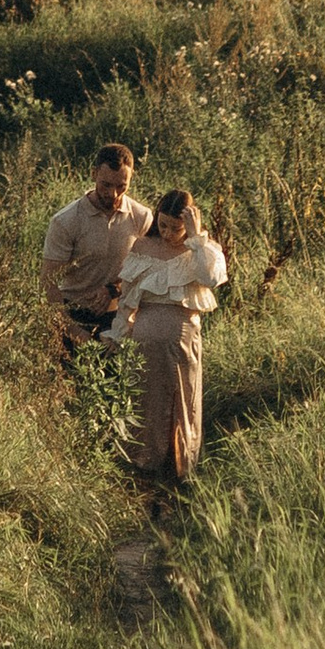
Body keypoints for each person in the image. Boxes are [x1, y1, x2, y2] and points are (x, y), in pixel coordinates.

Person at [109, 188, 229, 485]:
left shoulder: (200, 250)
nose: (168, 233)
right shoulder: (142, 246)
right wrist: (120, 335)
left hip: (181, 340)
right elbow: (127, 301)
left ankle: (178, 470)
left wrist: (195, 236)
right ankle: (141, 465)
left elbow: (211, 278)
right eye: (163, 225)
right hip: (144, 340)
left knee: (180, 399)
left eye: (175, 228)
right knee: (146, 401)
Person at [41, 143, 151, 366]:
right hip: (74, 316)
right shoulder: (66, 221)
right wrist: (72, 331)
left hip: (120, 320)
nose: (113, 194)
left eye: (122, 186)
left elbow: (151, 271)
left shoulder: (141, 217)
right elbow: (47, 282)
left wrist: (113, 290)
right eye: (105, 184)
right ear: (93, 175)